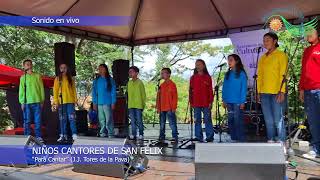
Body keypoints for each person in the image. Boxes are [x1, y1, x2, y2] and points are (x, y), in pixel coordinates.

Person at [257, 32, 288, 143]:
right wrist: (259, 92)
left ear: (275, 41)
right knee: (268, 120)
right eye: (264, 40)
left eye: (268, 40)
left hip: (277, 92)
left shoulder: (281, 55)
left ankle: (281, 141)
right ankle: (270, 139)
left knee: (278, 120)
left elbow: (283, 74)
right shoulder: (262, 58)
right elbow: (259, 76)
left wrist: (282, 91)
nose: (265, 42)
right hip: (264, 93)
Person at [299, 28, 320, 159]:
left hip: (319, 88)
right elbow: (303, 71)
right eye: (306, 33)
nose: (308, 35)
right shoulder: (306, 50)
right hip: (307, 90)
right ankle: (316, 148)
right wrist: (301, 89)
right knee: (313, 121)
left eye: (311, 32)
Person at [222, 54, 248, 142]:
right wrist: (224, 99)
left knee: (238, 120)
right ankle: (233, 138)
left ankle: (241, 139)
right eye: (228, 60)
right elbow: (224, 87)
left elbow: (243, 88)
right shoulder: (227, 74)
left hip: (237, 101)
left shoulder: (241, 74)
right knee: (230, 120)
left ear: (236, 61)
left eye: (231, 60)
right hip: (229, 101)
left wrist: (242, 102)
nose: (229, 62)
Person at [19, 59, 45, 143]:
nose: (28, 65)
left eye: (30, 64)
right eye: (26, 64)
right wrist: (22, 102)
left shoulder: (37, 76)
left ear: (32, 65)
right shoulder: (23, 78)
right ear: (24, 66)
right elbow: (21, 90)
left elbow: (41, 88)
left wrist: (42, 100)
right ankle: (27, 137)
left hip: (37, 101)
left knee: (38, 121)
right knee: (27, 121)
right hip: (27, 103)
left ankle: (39, 137)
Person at [189, 59, 214, 142]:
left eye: (199, 64)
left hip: (206, 102)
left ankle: (210, 136)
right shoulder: (193, 78)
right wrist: (191, 101)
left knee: (207, 119)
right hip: (196, 102)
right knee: (197, 120)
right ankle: (198, 136)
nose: (197, 66)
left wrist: (210, 101)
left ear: (203, 66)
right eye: (196, 64)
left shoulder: (207, 77)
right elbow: (190, 91)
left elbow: (210, 90)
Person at [53, 64, 78, 142]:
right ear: (60, 69)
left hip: (70, 101)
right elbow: (55, 91)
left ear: (67, 69)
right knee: (62, 119)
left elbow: (74, 90)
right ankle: (63, 135)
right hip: (61, 102)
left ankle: (74, 134)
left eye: (64, 68)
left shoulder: (71, 78)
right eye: (61, 68)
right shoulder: (57, 79)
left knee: (71, 118)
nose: (63, 69)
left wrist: (75, 100)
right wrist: (56, 101)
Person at [92, 64, 116, 138]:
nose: (100, 70)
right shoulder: (96, 81)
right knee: (101, 119)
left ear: (105, 70)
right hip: (99, 103)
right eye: (99, 69)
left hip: (108, 102)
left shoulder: (110, 80)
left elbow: (113, 92)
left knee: (109, 119)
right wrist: (94, 103)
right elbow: (94, 93)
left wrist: (113, 102)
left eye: (102, 69)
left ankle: (110, 133)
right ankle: (102, 133)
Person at [156, 68, 179, 142]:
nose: (162, 74)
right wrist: (158, 107)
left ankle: (174, 136)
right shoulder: (161, 85)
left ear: (169, 74)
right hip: (162, 108)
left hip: (170, 107)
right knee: (162, 123)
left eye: (164, 73)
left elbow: (175, 97)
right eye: (161, 73)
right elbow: (158, 97)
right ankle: (161, 136)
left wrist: (174, 107)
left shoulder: (172, 84)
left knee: (172, 123)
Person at [127, 66, 146, 140]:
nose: (130, 73)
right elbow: (128, 94)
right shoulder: (129, 83)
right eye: (129, 72)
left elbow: (143, 94)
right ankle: (133, 134)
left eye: (131, 72)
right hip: (131, 105)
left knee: (139, 120)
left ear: (137, 73)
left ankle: (141, 133)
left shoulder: (140, 82)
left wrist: (143, 105)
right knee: (132, 121)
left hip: (138, 105)